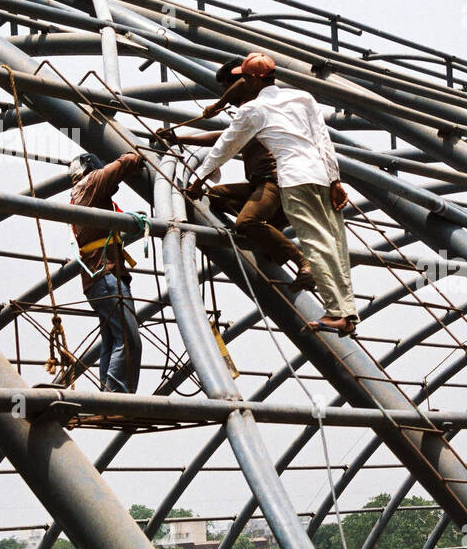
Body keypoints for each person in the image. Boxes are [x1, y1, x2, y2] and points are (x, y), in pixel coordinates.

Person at [179, 52, 358, 335]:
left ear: (248, 80)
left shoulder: (252, 110)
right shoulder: (303, 98)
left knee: (314, 244)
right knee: (334, 244)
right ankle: (346, 315)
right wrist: (335, 180)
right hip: (322, 177)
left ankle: (333, 307)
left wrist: (200, 177)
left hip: (293, 180)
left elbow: (225, 144)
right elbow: (323, 139)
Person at [159, 59, 313, 291]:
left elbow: (240, 84)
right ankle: (270, 237)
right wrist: (180, 138)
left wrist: (219, 104)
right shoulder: (252, 111)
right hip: (264, 184)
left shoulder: (258, 101)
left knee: (246, 222)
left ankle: (303, 262)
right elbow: (224, 139)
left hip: (277, 180)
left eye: (226, 88)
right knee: (217, 196)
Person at [68, 151, 145, 394]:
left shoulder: (80, 196)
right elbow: (122, 165)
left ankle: (108, 396)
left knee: (112, 340)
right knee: (129, 339)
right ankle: (119, 397)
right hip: (107, 275)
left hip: (96, 280)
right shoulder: (91, 183)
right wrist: (137, 154)